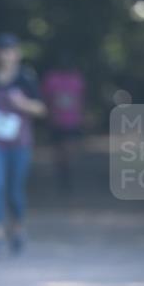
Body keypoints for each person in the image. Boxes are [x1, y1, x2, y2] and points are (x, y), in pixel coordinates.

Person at [0, 33, 46, 257]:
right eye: (2, 51)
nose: (6, 55)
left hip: (20, 143)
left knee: (15, 190)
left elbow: (41, 109)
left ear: (17, 53)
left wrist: (23, 104)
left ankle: (18, 228)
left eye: (10, 50)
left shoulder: (26, 78)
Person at [40, 57, 86, 192]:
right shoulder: (52, 79)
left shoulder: (77, 79)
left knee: (68, 151)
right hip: (56, 122)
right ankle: (63, 174)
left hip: (72, 122)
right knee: (59, 152)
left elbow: (82, 99)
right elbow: (45, 98)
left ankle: (66, 174)